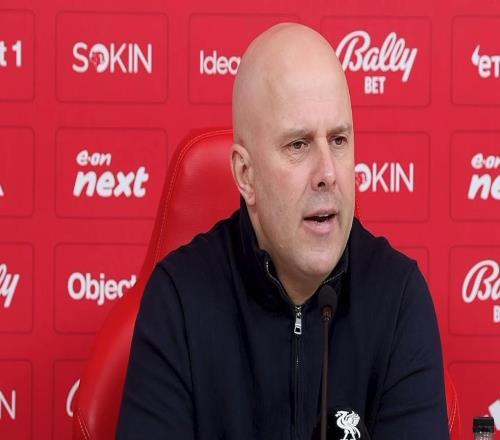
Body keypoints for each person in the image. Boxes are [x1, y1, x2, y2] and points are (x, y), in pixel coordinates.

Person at [117, 23, 449, 439]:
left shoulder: (398, 295)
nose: (328, 172)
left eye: (339, 140)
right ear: (246, 174)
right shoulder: (178, 300)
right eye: (298, 145)